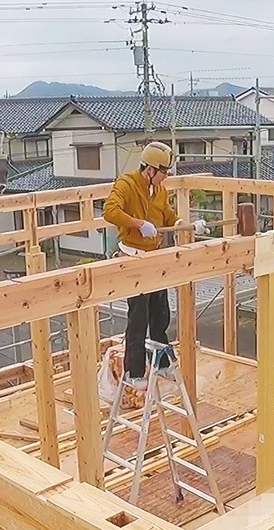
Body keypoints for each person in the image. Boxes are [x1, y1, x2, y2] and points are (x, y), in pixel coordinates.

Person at [101, 141, 207, 389]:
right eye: (163, 172)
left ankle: (162, 364)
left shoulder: (159, 191)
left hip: (154, 257)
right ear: (150, 169)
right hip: (133, 258)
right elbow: (110, 212)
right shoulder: (126, 185)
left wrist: (186, 223)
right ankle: (134, 372)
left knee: (160, 315)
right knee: (138, 318)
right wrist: (138, 224)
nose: (166, 176)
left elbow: (166, 214)